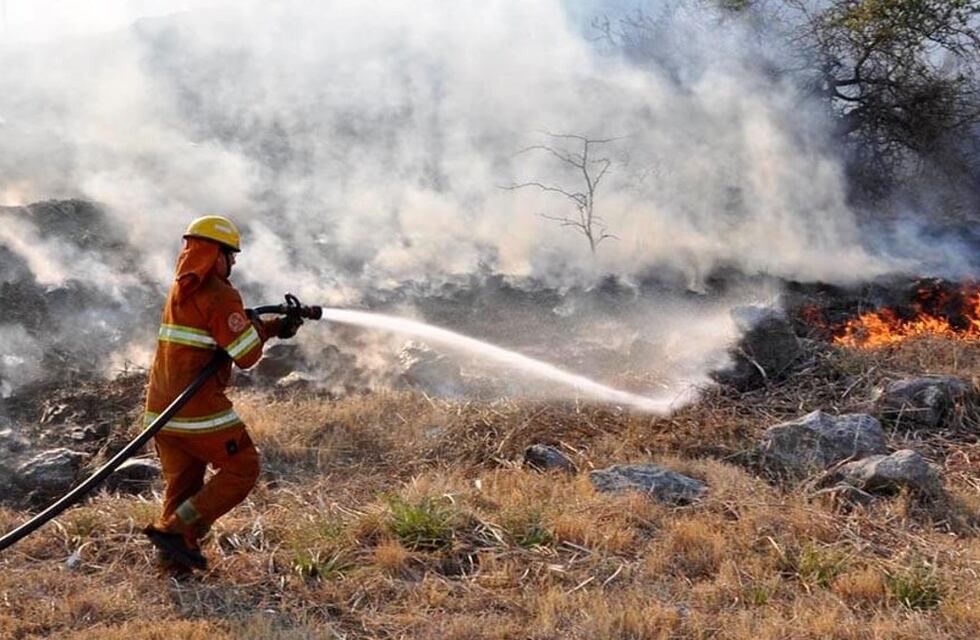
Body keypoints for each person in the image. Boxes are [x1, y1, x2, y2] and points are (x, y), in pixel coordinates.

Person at [142, 215, 301, 573]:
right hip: (197, 411)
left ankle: (174, 563)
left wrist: (275, 325)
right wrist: (263, 327)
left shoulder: (181, 288)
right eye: (231, 256)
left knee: (184, 486)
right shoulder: (219, 293)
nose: (233, 264)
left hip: (160, 412)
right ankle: (174, 531)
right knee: (242, 467)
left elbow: (222, 334)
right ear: (216, 254)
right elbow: (245, 354)